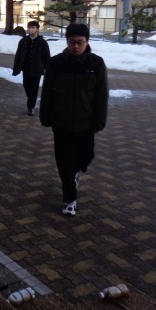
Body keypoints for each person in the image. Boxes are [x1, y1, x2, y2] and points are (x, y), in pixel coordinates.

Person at [39, 23, 108, 216]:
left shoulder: (96, 64)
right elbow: (47, 92)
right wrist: (45, 116)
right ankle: (69, 199)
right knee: (64, 162)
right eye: (72, 42)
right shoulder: (56, 63)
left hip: (86, 123)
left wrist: (99, 121)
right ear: (67, 41)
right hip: (61, 123)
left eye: (80, 42)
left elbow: (102, 95)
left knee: (86, 157)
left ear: (87, 42)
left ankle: (76, 172)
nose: (76, 46)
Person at [12, 21, 51, 116]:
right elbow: (18, 55)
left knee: (34, 88)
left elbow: (46, 57)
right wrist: (16, 68)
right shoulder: (23, 41)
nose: (31, 29)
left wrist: (48, 69)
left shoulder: (42, 42)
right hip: (26, 68)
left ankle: (31, 107)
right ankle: (31, 99)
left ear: (37, 29)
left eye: (33, 27)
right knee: (26, 85)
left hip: (37, 69)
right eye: (29, 27)